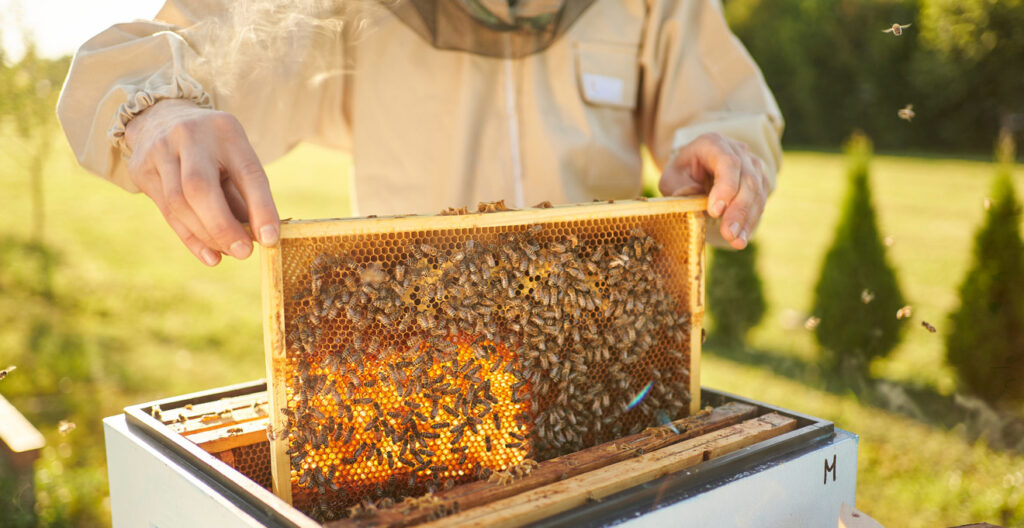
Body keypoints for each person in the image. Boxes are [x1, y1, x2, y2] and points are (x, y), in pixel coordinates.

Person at [57, 0, 782, 267]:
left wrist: (721, 157)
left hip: (612, 374)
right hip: (421, 367)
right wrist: (160, 111)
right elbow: (166, 52)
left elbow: (725, 107)